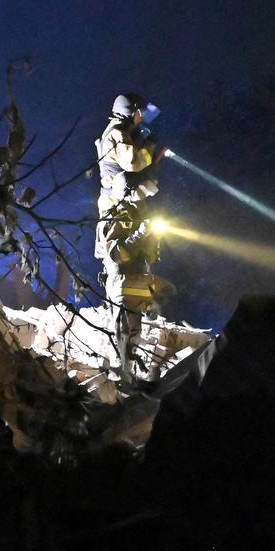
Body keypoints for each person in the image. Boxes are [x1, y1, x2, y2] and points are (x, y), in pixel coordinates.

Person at [94, 93, 168, 373]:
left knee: (144, 298)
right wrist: (147, 148)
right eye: (139, 114)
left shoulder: (133, 206)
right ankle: (123, 365)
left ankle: (132, 360)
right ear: (129, 112)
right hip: (116, 212)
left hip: (124, 211)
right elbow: (133, 164)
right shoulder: (116, 133)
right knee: (125, 309)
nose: (141, 119)